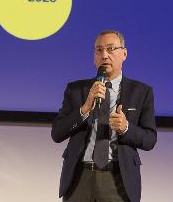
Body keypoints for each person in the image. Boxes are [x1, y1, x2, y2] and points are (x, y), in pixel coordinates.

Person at [51, 30, 157, 202]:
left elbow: (150, 139)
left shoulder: (142, 92)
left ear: (124, 53)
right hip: (79, 178)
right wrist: (84, 109)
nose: (104, 55)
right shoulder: (76, 90)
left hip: (118, 180)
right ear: (94, 57)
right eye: (99, 50)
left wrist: (126, 128)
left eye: (110, 49)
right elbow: (57, 134)